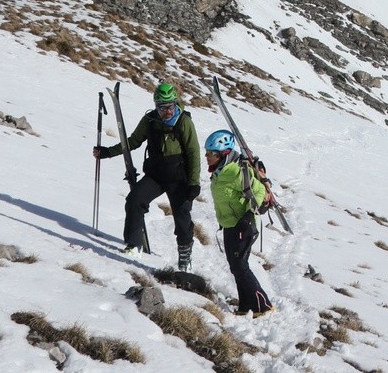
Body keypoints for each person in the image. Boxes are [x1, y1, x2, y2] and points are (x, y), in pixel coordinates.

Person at [94, 81, 201, 270]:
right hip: (156, 175)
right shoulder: (150, 121)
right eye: (162, 107)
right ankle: (134, 244)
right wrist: (108, 152)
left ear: (175, 103)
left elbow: (193, 152)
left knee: (182, 216)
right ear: (156, 105)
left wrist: (193, 183)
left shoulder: (184, 122)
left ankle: (184, 253)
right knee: (134, 200)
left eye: (170, 106)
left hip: (179, 178)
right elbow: (133, 142)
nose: (167, 111)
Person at [205, 129, 274, 316]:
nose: (207, 157)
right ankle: (245, 306)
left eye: (211, 153)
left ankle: (262, 305)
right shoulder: (220, 171)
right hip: (228, 225)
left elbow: (259, 190)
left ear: (224, 153)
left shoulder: (235, 172)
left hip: (242, 225)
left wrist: (249, 212)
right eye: (207, 152)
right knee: (236, 266)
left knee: (240, 266)